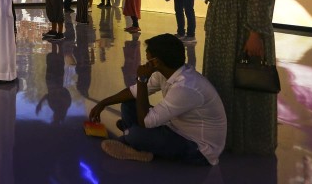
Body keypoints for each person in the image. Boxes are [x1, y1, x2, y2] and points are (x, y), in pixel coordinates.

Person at [185, 0, 279, 155]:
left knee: (246, 85)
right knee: (220, 84)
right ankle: (222, 136)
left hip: (243, 33)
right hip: (219, 33)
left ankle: (249, 141)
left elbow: (262, 1)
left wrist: (255, 34)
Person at [89, 34, 227, 165]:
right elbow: (133, 92)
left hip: (199, 149)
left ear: (156, 61)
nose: (145, 61)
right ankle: (133, 135)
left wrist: (142, 79)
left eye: (148, 57)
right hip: (174, 128)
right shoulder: (166, 72)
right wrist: (103, 103)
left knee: (137, 133)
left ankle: (134, 140)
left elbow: (145, 122)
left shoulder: (186, 87)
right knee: (129, 103)